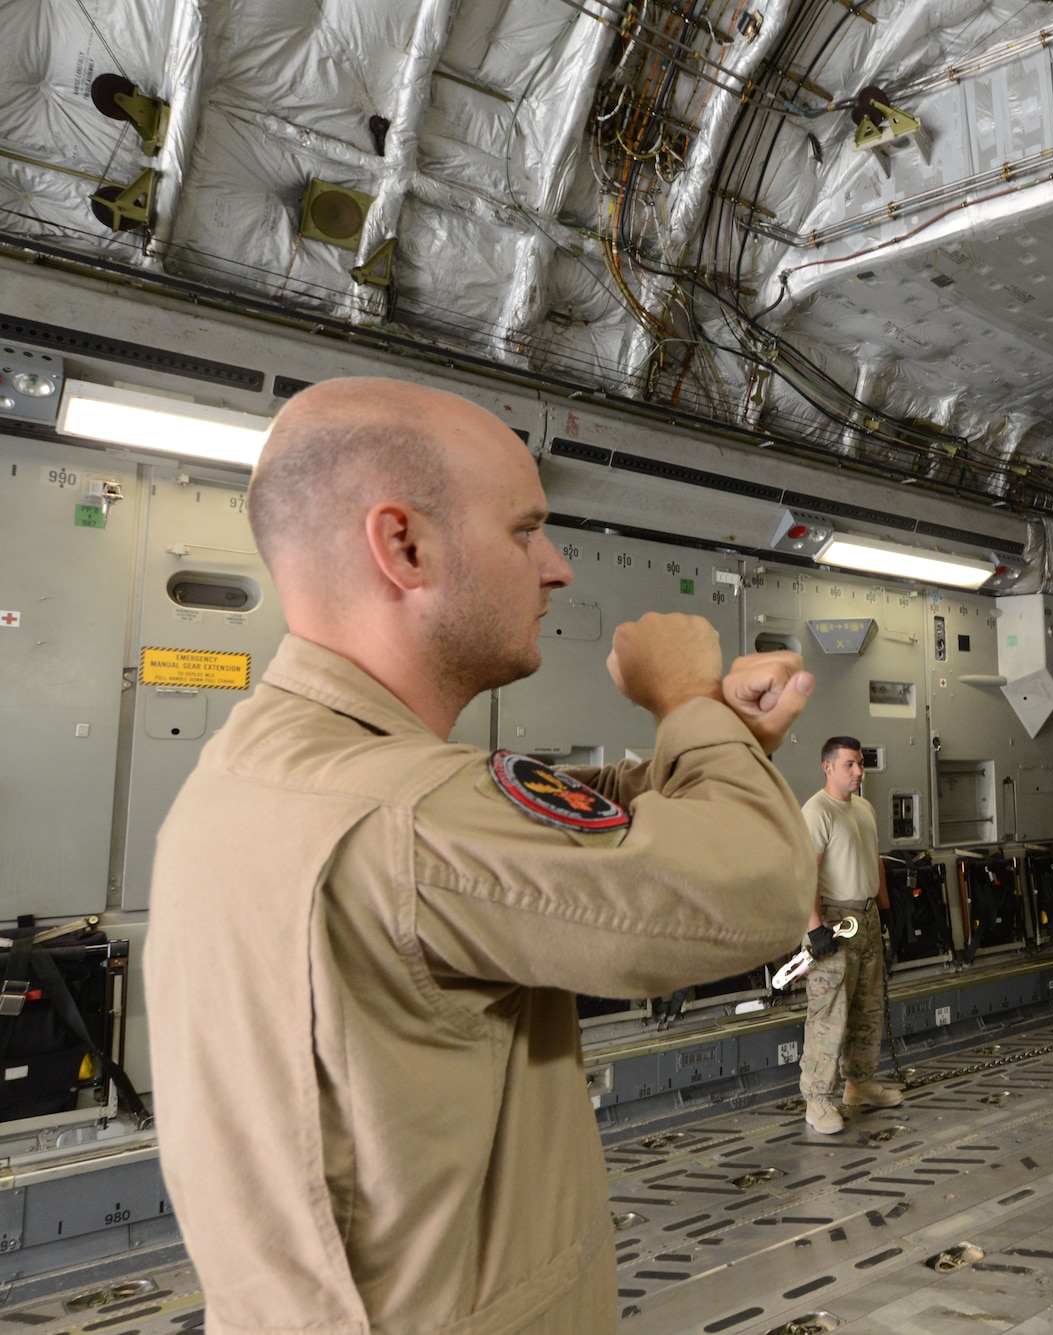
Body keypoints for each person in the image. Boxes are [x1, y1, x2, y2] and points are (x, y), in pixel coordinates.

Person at [146, 378, 819, 1335]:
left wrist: (711, 738)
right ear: (403, 545)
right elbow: (759, 889)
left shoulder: (270, 769)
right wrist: (687, 705)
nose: (557, 569)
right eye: (524, 530)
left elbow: (559, 829)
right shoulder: (403, 811)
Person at [797, 736, 902, 1133]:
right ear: (828, 767)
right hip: (834, 920)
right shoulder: (817, 811)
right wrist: (813, 927)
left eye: (860, 764)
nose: (859, 772)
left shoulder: (864, 808)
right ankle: (817, 1100)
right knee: (829, 1013)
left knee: (867, 1006)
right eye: (850, 765)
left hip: (868, 915)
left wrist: (887, 910)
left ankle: (859, 1083)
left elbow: (873, 859)